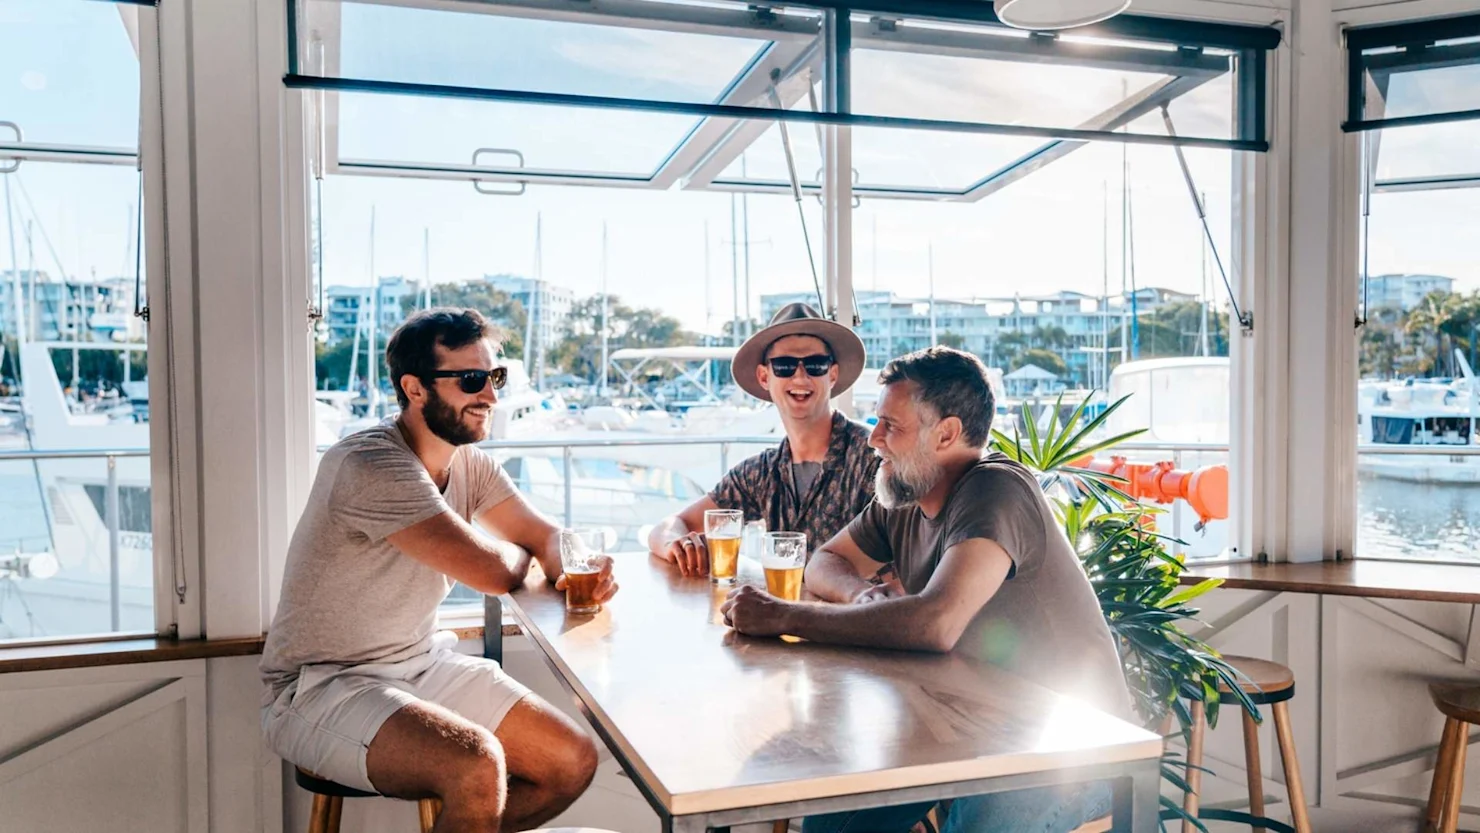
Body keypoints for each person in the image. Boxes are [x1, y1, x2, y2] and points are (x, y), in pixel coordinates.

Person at [721, 346, 1131, 833]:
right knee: (829, 824)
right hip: (970, 725)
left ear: (947, 434)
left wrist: (784, 616)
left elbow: (936, 622)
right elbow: (825, 563)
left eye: (891, 426)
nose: (873, 438)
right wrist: (860, 595)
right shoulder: (906, 495)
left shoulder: (996, 489)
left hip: (1073, 747)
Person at [261, 308, 618, 833]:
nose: (490, 396)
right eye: (471, 380)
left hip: (420, 663)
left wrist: (579, 564)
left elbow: (548, 537)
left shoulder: (469, 463)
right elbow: (493, 572)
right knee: (476, 766)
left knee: (570, 761)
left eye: (495, 377)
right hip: (322, 685)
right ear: (415, 388)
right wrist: (520, 556)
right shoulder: (370, 464)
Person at [648, 303, 878, 575]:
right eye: (784, 366)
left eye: (815, 365)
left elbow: (904, 565)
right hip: (782, 603)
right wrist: (676, 545)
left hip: (859, 604)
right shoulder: (762, 472)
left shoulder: (872, 457)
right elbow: (670, 525)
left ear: (833, 374)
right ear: (764, 377)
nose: (800, 376)